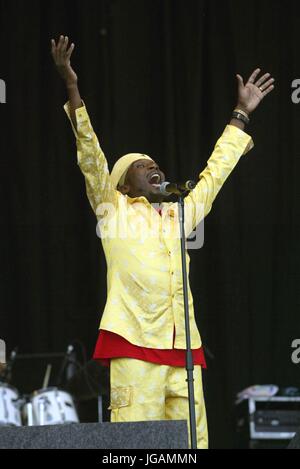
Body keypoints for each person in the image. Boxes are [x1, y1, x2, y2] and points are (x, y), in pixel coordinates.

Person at [51, 35, 274, 449]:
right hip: (133, 345)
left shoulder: (177, 213)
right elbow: (91, 155)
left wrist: (241, 113)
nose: (154, 168)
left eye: (156, 165)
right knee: (137, 446)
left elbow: (214, 176)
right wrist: (71, 87)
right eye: (142, 166)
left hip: (184, 350)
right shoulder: (111, 207)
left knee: (193, 445)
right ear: (122, 182)